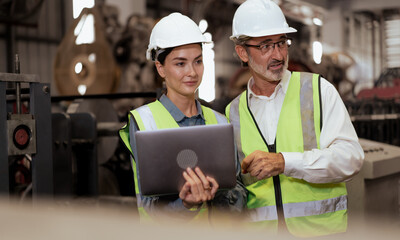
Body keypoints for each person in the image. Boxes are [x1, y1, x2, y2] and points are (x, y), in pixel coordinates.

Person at [226, 0, 364, 237]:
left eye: (281, 43)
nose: (278, 54)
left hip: (321, 233)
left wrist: (285, 162)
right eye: (266, 46)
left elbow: (351, 158)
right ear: (242, 52)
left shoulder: (319, 90)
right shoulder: (234, 111)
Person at [119, 12, 247, 223]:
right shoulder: (144, 122)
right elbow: (149, 205)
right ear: (160, 68)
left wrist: (222, 195)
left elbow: (239, 195)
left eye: (198, 61)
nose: (192, 72)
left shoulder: (220, 121)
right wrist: (186, 204)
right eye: (180, 64)